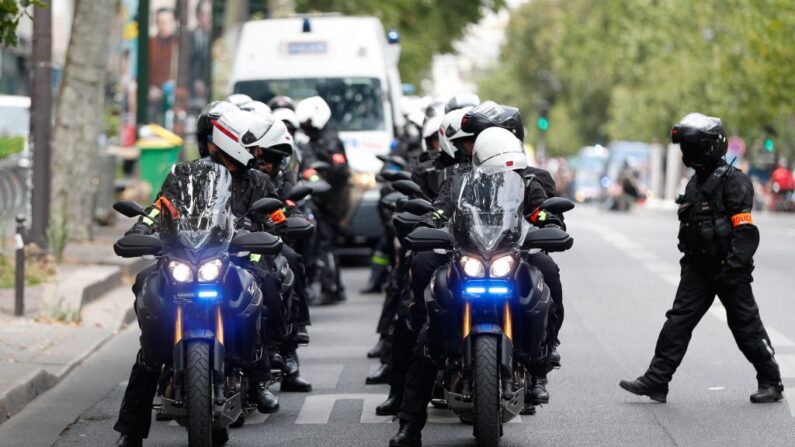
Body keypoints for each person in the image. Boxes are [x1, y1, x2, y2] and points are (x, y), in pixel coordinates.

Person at [113, 109, 281, 447]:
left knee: (264, 285)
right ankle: (131, 430)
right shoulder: (183, 175)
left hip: (236, 258)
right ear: (225, 141)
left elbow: (277, 221)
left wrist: (261, 236)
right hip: (186, 257)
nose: (253, 150)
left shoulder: (258, 181)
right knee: (146, 286)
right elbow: (161, 209)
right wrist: (140, 231)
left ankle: (259, 375)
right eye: (246, 142)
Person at [620, 113, 783, 404]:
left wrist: (733, 268)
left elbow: (745, 232)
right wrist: (689, 264)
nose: (688, 153)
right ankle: (657, 381)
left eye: (693, 146)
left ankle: (771, 381)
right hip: (698, 268)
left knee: (746, 328)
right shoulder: (695, 184)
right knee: (678, 322)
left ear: (710, 146)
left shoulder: (734, 182)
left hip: (730, 269)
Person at [242, 113, 314, 393]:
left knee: (283, 267)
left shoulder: (263, 181)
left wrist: (289, 219)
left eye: (270, 159)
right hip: (213, 249)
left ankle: (285, 348)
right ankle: (170, 372)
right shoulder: (202, 175)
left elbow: (281, 212)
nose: (266, 164)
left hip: (258, 245)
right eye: (262, 157)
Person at [295, 96, 350, 304]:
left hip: (330, 200)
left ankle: (332, 288)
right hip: (320, 197)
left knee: (326, 242)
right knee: (322, 242)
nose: (306, 128)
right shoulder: (315, 140)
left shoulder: (330, 141)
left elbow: (338, 170)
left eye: (308, 124)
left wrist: (317, 172)